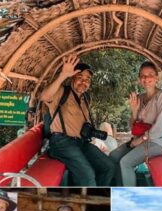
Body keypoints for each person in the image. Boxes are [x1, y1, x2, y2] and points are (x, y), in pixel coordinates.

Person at [39, 55, 119, 186]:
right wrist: (63, 74)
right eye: (80, 78)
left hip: (81, 142)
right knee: (87, 176)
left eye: (87, 79)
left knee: (109, 167)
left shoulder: (85, 98)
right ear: (72, 78)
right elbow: (44, 96)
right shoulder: (61, 92)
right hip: (62, 142)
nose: (84, 82)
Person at [109, 61, 162, 186]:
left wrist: (140, 140)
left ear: (157, 77)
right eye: (142, 75)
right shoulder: (140, 98)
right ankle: (120, 187)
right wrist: (134, 111)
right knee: (113, 156)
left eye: (150, 74)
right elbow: (133, 128)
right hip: (143, 139)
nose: (146, 78)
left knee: (125, 162)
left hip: (160, 141)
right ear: (140, 79)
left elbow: (160, 129)